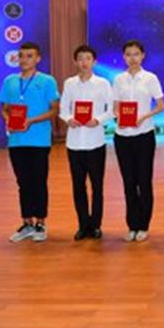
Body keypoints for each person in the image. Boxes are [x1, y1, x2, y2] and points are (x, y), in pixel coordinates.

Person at [0, 42, 59, 243]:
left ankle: (40, 223)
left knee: (38, 181)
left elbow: (54, 110)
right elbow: (4, 109)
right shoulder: (9, 81)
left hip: (39, 140)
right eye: (22, 55)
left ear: (38, 58)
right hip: (16, 141)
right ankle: (27, 223)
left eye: (29, 56)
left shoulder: (47, 81)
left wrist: (31, 121)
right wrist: (8, 119)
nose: (24, 59)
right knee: (22, 182)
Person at [112, 40, 164, 242]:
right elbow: (115, 106)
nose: (132, 58)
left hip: (144, 134)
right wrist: (119, 117)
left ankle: (143, 225)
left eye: (136, 54)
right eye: (128, 54)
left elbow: (160, 105)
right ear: (124, 57)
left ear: (143, 56)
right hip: (122, 136)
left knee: (144, 181)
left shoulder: (150, 78)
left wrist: (144, 117)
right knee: (128, 182)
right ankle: (132, 225)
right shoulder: (119, 79)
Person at [60, 44, 113, 241]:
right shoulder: (69, 83)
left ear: (94, 61)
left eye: (88, 58)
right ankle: (83, 225)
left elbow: (112, 109)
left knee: (97, 186)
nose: (84, 62)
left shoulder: (103, 83)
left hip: (95, 142)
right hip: (74, 143)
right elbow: (63, 109)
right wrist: (68, 119)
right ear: (76, 62)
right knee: (78, 186)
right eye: (80, 58)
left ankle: (96, 225)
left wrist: (98, 120)